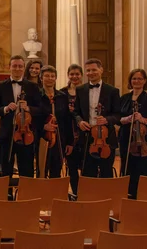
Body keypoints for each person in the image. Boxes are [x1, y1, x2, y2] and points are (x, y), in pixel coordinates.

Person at [0, 55, 41, 178]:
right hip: (6, 133)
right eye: (14, 66)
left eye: (20, 66)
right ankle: (7, 195)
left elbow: (40, 109)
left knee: (27, 169)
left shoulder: (32, 87)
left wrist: (28, 108)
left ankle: (26, 195)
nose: (17, 69)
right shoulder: (0, 86)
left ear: (24, 68)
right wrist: (6, 109)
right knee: (6, 169)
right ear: (9, 67)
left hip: (26, 134)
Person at [74, 58, 121, 179]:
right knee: (87, 172)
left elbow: (118, 114)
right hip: (87, 137)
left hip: (106, 138)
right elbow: (75, 112)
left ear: (101, 70)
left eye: (94, 69)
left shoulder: (112, 91)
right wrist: (80, 121)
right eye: (88, 70)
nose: (91, 73)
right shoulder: (80, 89)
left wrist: (107, 120)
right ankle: (89, 197)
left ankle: (107, 197)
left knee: (106, 171)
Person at [118, 69, 147, 197]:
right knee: (127, 169)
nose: (136, 81)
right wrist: (128, 119)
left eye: (140, 79)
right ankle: (128, 196)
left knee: (143, 170)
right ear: (130, 81)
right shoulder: (124, 98)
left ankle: (144, 197)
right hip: (126, 140)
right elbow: (118, 119)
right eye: (134, 78)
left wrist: (142, 119)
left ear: (145, 81)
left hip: (144, 142)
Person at [38, 65, 73, 179]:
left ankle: (55, 195)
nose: (50, 78)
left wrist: (70, 142)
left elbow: (67, 120)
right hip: (41, 138)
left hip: (59, 138)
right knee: (41, 170)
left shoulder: (62, 96)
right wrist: (43, 126)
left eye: (53, 76)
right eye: (47, 76)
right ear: (41, 78)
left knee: (56, 170)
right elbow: (33, 118)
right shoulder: (36, 95)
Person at [60, 64, 84, 193]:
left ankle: (86, 193)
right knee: (71, 165)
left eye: (77, 74)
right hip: (68, 132)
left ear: (81, 75)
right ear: (68, 75)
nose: (74, 77)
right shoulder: (62, 92)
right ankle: (75, 193)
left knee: (85, 166)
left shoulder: (86, 90)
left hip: (83, 132)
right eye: (72, 74)